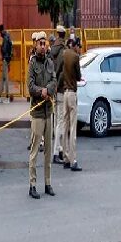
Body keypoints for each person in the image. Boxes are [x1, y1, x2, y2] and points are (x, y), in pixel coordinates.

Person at [26, 32, 56, 199]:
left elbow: (54, 80)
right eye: (40, 43)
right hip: (37, 113)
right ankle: (32, 184)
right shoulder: (32, 64)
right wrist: (41, 91)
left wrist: (48, 90)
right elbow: (30, 86)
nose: (43, 46)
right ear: (35, 46)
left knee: (48, 151)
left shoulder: (50, 62)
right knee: (35, 150)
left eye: (44, 43)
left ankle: (47, 183)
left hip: (48, 112)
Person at [58, 34, 82, 171]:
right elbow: (78, 76)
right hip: (72, 93)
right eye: (79, 46)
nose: (80, 49)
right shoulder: (74, 57)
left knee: (65, 126)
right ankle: (73, 160)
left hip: (65, 92)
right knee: (73, 128)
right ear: (76, 45)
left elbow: (61, 72)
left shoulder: (64, 54)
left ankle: (66, 158)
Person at [49, 29, 66, 164]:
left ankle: (59, 149)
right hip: (59, 89)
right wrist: (57, 86)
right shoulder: (62, 50)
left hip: (52, 88)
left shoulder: (51, 49)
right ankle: (56, 152)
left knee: (56, 120)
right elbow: (61, 72)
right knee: (60, 121)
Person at [0, 24, 14, 103]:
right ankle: (0, 93)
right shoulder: (8, 36)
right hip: (7, 59)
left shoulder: (5, 38)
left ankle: (7, 94)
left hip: (5, 59)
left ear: (1, 31)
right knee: (3, 77)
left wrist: (3, 55)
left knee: (5, 77)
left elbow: (4, 49)